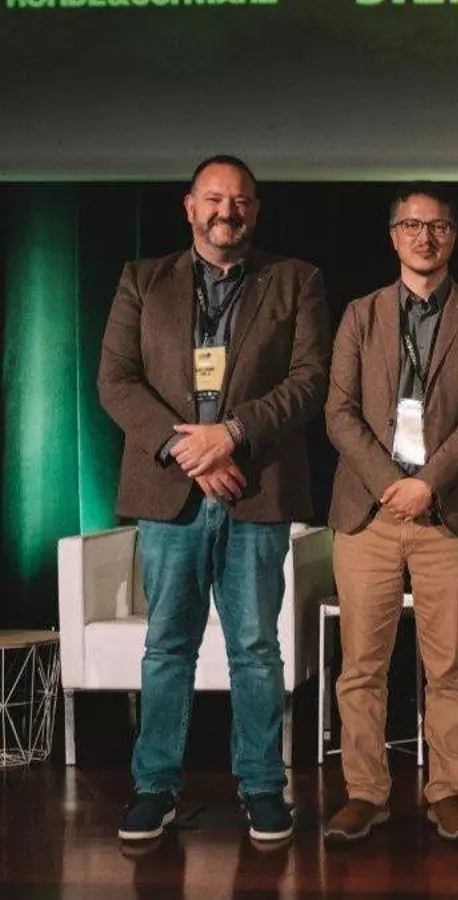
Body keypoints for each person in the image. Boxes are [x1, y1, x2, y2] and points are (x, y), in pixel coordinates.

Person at [98, 155, 331, 844]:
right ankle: (155, 787)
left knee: (256, 647)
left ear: (255, 210)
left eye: (241, 201)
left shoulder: (296, 280)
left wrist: (230, 435)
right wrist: (189, 452)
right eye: (214, 198)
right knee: (167, 645)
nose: (228, 211)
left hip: (256, 488)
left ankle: (262, 787)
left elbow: (310, 380)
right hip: (170, 492)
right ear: (190, 206)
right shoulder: (142, 280)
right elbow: (116, 381)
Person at [322, 182, 458, 844]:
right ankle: (365, 792)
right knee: (361, 667)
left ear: (453, 236)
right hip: (367, 513)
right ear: (393, 235)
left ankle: (447, 791)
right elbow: (338, 412)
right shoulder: (360, 314)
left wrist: (427, 484)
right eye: (411, 225)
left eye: (438, 226)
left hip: (442, 512)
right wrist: (387, 483)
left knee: (450, 663)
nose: (424, 237)